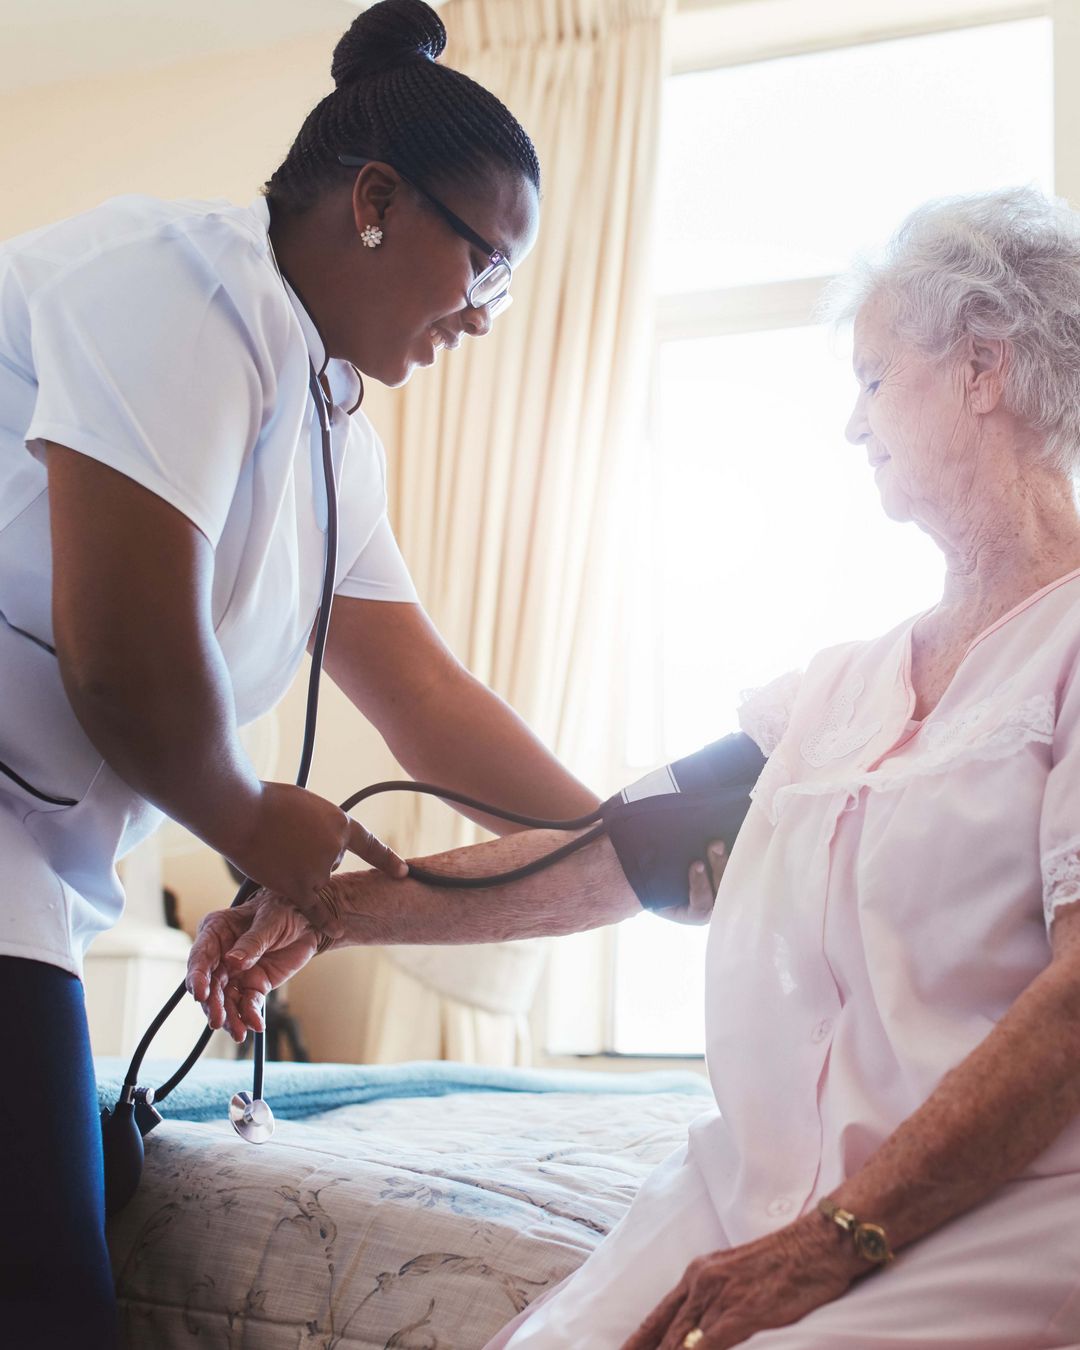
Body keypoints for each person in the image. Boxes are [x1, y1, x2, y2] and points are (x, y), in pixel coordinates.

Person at [191, 185, 1080, 1349]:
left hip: (983, 1219)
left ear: (981, 369)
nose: (852, 427)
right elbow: (616, 855)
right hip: (749, 1192)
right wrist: (331, 913)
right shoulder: (837, 690)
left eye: (871, 380)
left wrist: (831, 1241)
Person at [0, 1, 674, 1343]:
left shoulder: (330, 427)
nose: (486, 314)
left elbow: (424, 695)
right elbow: (124, 659)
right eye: (487, 261)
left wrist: (625, 845)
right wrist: (254, 823)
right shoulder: (181, 283)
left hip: (38, 885)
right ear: (375, 200)